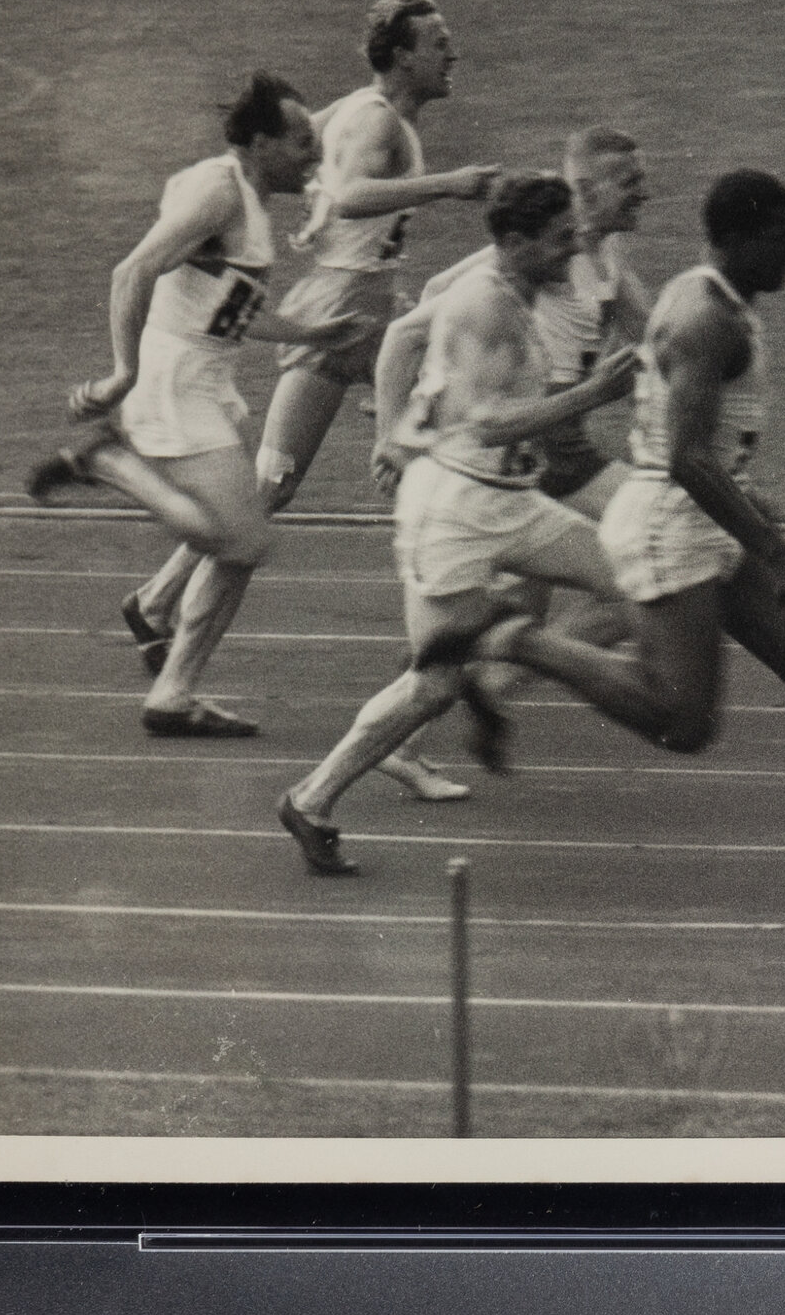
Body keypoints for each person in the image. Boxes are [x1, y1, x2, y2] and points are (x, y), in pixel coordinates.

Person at [400, 171, 785, 922]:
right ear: (741, 239)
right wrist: (772, 548)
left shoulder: (717, 300)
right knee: (685, 722)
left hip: (703, 513)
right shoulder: (703, 318)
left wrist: (751, 511)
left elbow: (698, 443)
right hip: (668, 523)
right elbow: (683, 456)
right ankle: (509, 637)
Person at [274, 173, 641, 872]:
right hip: (453, 512)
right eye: (560, 240)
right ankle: (312, 797)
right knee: (432, 684)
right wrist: (596, 392)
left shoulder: (522, 283)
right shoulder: (483, 304)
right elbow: (491, 422)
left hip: (511, 499)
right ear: (515, 242)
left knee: (628, 579)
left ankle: (500, 659)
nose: (573, 251)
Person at [122, 0, 499, 668]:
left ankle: (479, 576)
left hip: (373, 303)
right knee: (271, 483)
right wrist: (449, 184)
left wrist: (312, 202)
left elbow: (310, 154)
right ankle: (160, 605)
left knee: (446, 406)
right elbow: (351, 196)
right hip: (340, 309)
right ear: (403, 57)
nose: (453, 54)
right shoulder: (378, 121)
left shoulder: (366, 112)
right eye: (438, 44)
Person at [24, 74, 352, 736]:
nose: (311, 157)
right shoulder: (219, 190)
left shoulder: (249, 199)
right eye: (299, 143)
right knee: (244, 538)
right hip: (174, 382)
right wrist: (121, 374)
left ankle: (174, 691)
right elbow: (132, 271)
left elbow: (231, 311)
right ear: (259, 143)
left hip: (206, 379)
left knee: (240, 543)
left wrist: (314, 333)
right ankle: (110, 460)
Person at [366, 125, 655, 767]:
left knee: (513, 611)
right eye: (629, 182)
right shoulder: (534, 260)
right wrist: (395, 430)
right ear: (587, 188)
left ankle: (487, 684)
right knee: (636, 563)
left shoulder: (606, 264)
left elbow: (655, 346)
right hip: (507, 460)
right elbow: (408, 332)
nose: (645, 192)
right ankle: (462, 697)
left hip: (548, 459)